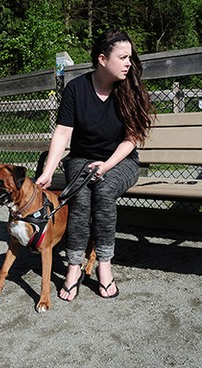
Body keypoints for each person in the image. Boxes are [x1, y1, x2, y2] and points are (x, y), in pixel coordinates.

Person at [36, 29, 155, 301]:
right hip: (81, 159)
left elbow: (132, 139)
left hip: (121, 160)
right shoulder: (76, 89)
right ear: (103, 59)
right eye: (123, 57)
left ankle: (104, 264)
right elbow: (63, 132)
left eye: (130, 57)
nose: (129, 63)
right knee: (80, 195)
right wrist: (49, 170)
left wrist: (106, 165)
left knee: (102, 191)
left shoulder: (130, 89)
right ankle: (74, 266)